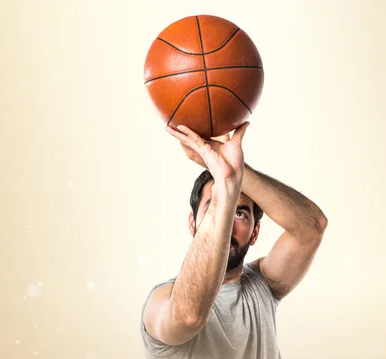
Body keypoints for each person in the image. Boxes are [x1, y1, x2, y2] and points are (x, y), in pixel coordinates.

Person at [140, 122, 328, 358]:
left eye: (239, 213)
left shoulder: (263, 286)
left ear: (255, 232)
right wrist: (225, 186)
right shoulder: (161, 300)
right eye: (214, 208)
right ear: (192, 223)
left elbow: (311, 228)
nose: (228, 222)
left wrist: (235, 171)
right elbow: (188, 317)